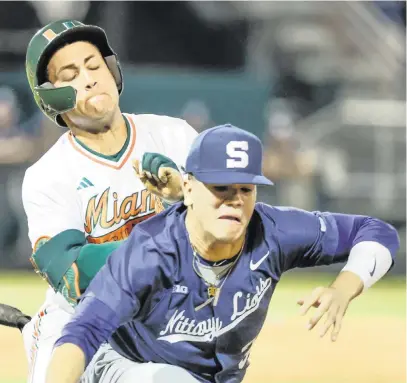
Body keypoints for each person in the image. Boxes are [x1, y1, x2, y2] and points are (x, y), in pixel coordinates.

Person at [46, 124, 399, 383]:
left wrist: (344, 287)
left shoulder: (274, 232)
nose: (235, 200)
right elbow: (83, 332)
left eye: (246, 188)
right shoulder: (150, 251)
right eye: (220, 187)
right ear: (188, 188)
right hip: (125, 368)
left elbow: (376, 231)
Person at [20, 19, 197, 383]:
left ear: (112, 71)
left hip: (159, 323)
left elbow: (233, 224)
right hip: (76, 325)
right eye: (70, 73)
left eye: (94, 65)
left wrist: (187, 196)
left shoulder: (174, 136)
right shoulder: (47, 175)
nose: (88, 77)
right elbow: (69, 272)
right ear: (52, 95)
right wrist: (158, 250)